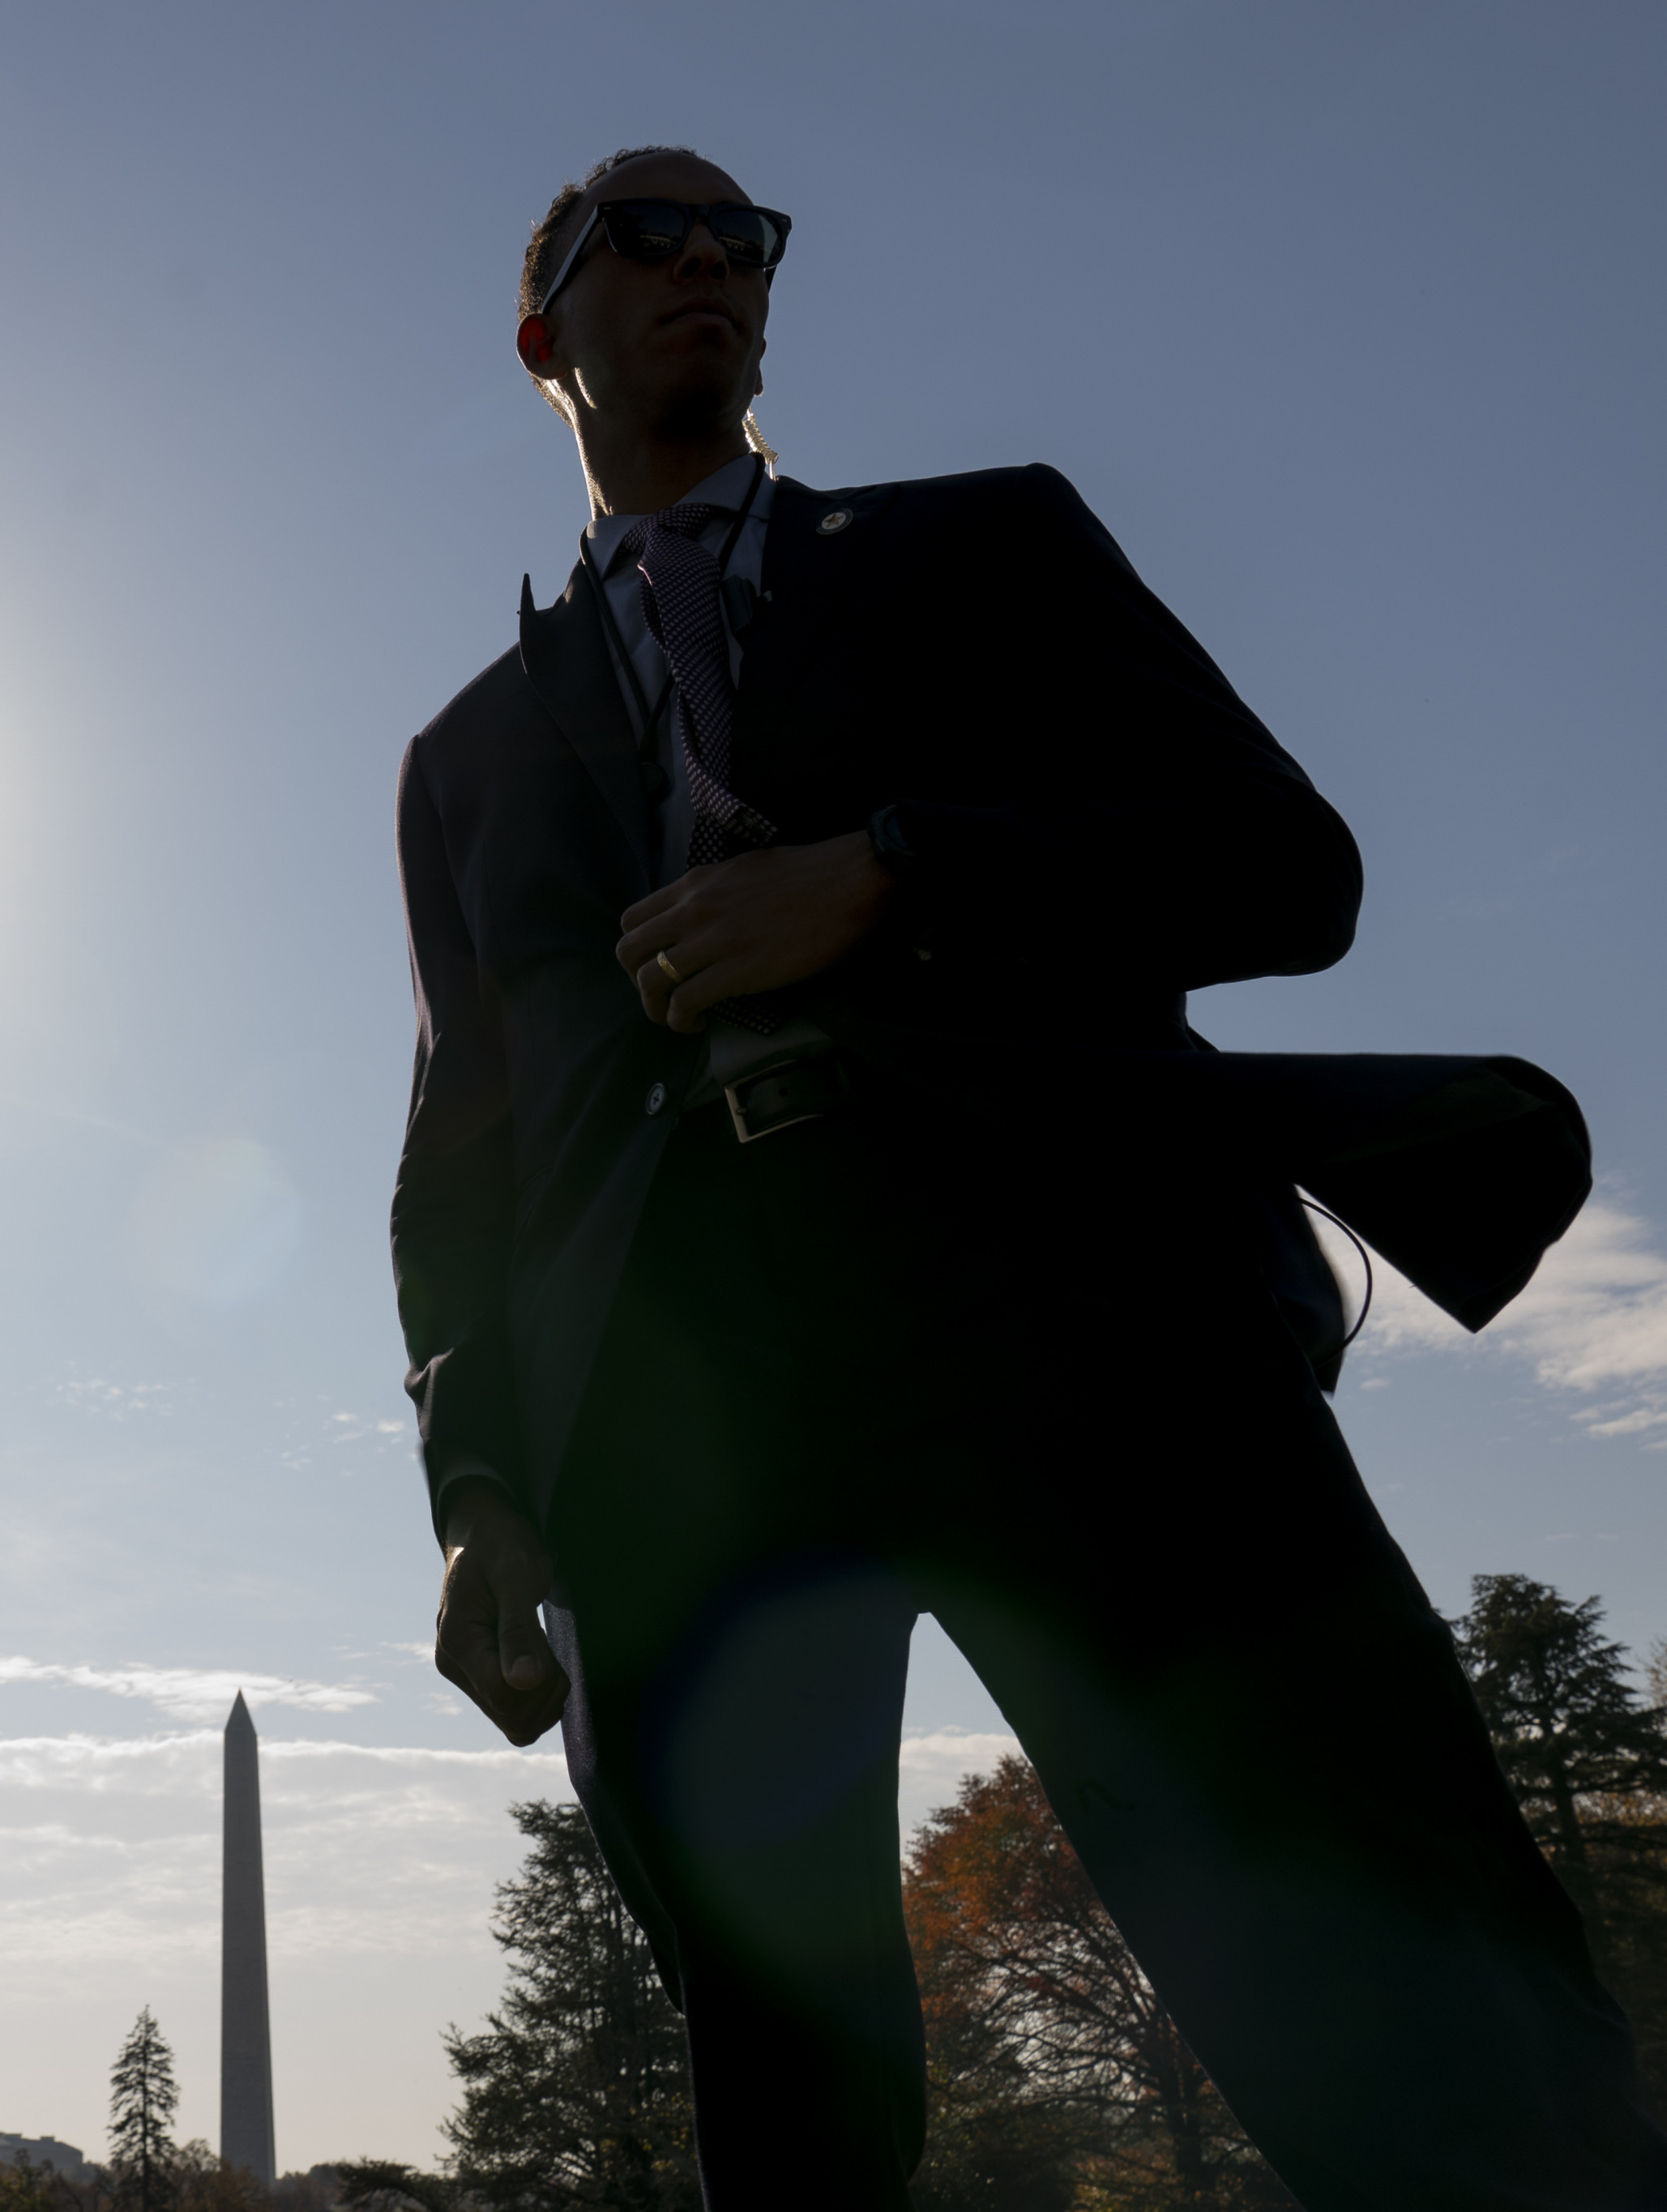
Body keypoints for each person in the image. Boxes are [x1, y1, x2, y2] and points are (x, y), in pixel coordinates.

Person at [390, 143, 1666, 2206]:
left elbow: (1282, 866)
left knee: (1403, 1997)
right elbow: (454, 1162)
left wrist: (890, 874)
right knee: (788, 2113)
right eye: (650, 235)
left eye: (745, 240)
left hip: (1078, 1316)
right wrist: (474, 1488)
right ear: (543, 333)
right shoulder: (463, 759)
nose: (712, 261)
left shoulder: (982, 548)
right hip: (675, 1431)